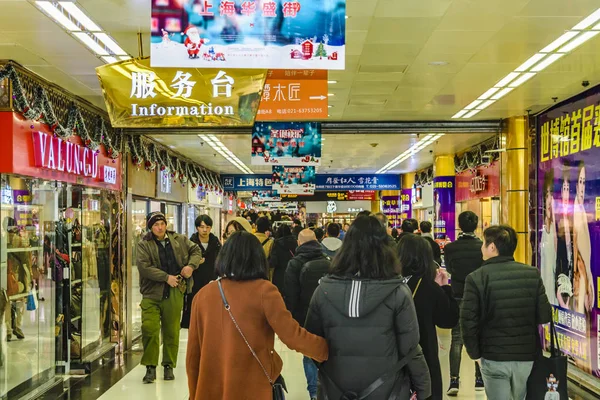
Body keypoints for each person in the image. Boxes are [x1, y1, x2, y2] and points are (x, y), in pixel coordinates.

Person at [186, 231, 328, 400]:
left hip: (212, 388)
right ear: (257, 258)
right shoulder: (265, 291)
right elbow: (292, 336)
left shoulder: (203, 295)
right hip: (254, 386)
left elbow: (193, 356)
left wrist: (195, 394)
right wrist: (327, 350)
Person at [305, 216, 431, 399]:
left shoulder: (322, 291)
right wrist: (424, 388)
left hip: (336, 388)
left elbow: (313, 344)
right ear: (385, 247)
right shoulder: (397, 292)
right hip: (388, 389)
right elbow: (410, 349)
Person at [460, 225, 552, 400]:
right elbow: (544, 315)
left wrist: (475, 354)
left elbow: (467, 322)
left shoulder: (476, 278)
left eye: (483, 243)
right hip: (526, 357)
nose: (481, 247)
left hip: (493, 357)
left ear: (492, 247)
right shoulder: (532, 274)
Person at [137, 212, 203, 383]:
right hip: (152, 292)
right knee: (149, 329)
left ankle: (168, 366)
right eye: (155, 225)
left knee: (172, 330)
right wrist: (166, 277)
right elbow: (144, 267)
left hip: (175, 291)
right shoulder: (144, 244)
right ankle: (150, 367)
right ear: (150, 227)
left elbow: (196, 250)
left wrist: (191, 266)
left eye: (162, 223)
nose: (160, 227)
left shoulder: (178, 239)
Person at [397, 234, 459, 400]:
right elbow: (449, 320)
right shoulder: (428, 287)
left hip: (392, 357)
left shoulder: (388, 283)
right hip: (424, 355)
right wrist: (445, 288)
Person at [284, 229, 331, 400]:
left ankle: (313, 393)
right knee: (328, 352)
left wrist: (292, 321)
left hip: (306, 316)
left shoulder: (295, 264)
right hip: (330, 315)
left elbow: (291, 295)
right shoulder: (328, 260)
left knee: (310, 354)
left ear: (299, 243)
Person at [443, 210, 485, 395]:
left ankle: (454, 381)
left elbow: (450, 270)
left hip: (458, 294)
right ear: (476, 225)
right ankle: (479, 378)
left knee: (457, 339)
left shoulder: (451, 248)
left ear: (460, 225)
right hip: (478, 296)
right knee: (479, 336)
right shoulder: (483, 247)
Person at [181, 215, 221, 329]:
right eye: (202, 227)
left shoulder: (216, 243)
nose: (205, 230)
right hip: (195, 281)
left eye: (207, 227)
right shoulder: (190, 243)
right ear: (197, 228)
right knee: (195, 306)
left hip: (212, 280)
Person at [556, 164, 573, 309]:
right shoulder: (557, 219)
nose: (566, 194)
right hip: (562, 279)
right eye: (564, 189)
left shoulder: (574, 218)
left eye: (568, 189)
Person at [540, 170, 558, 306]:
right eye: (547, 195)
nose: (549, 200)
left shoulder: (556, 228)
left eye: (552, 194)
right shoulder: (540, 227)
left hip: (553, 293)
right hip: (543, 290)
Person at [269, 224, 297, 293]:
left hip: (280, 275)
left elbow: (273, 262)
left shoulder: (276, 244)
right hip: (294, 273)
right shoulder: (296, 242)